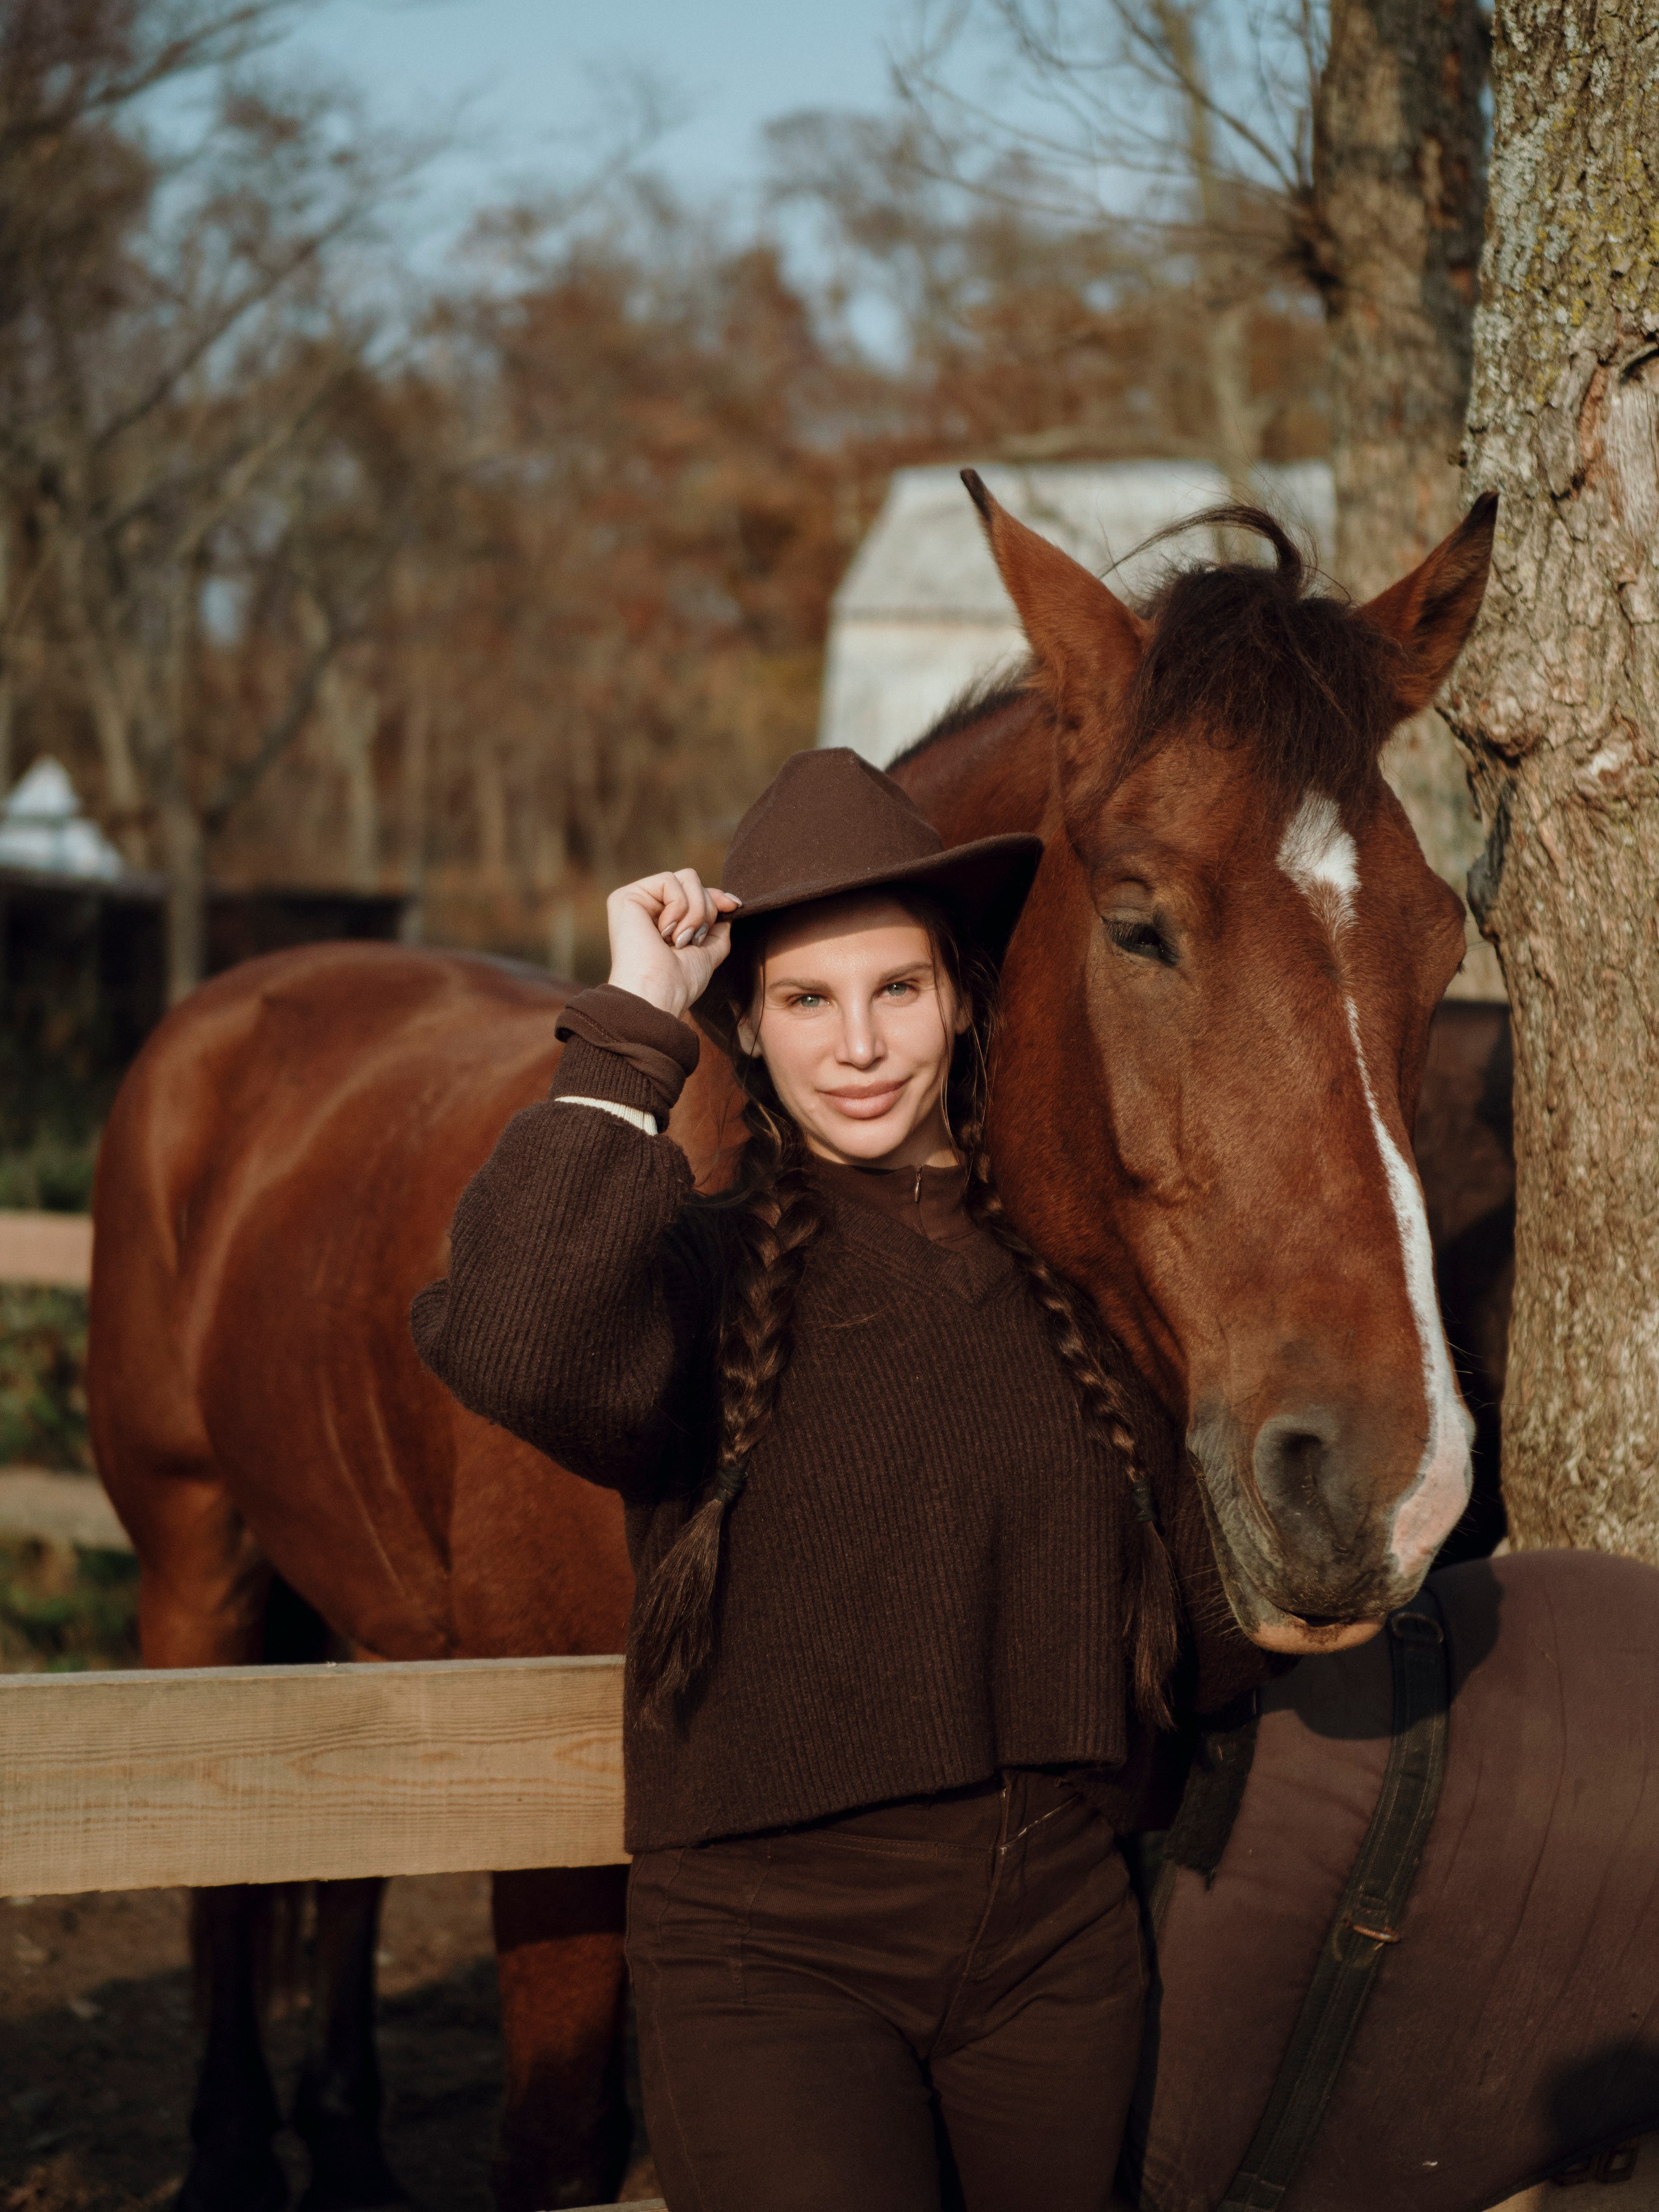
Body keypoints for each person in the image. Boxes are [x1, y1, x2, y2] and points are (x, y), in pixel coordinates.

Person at [412, 747, 1264, 2212]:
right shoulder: (697, 1276)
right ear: (748, 1026)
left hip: (1057, 1941)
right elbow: (507, 1335)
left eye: (897, 991)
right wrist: (631, 1026)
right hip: (769, 1963)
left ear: (959, 1002)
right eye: (805, 1000)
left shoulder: (1081, 1287)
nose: (858, 1046)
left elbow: (1213, 1619)